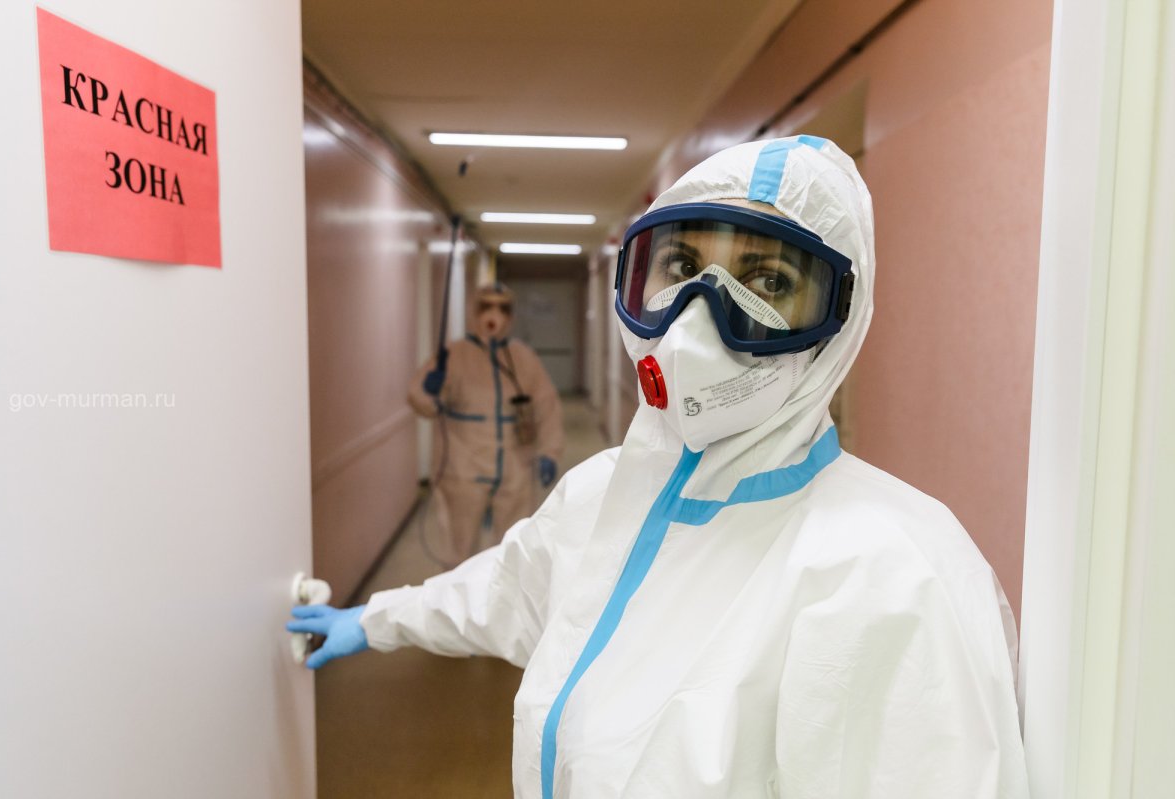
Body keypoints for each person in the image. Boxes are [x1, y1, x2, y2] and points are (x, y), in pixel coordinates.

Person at [288, 136, 1029, 798]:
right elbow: (510, 588)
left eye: (768, 282)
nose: (696, 320)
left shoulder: (895, 572)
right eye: (681, 267)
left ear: (835, 322)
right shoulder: (603, 492)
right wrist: (376, 618)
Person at [407, 283, 563, 563]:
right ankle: (458, 589)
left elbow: (546, 405)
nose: (494, 314)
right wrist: (430, 390)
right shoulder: (453, 355)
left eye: (502, 308)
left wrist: (549, 452)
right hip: (463, 465)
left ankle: (504, 590)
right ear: (474, 311)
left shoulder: (522, 357)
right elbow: (420, 399)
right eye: (486, 306)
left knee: (513, 545)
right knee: (459, 547)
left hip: (515, 464)